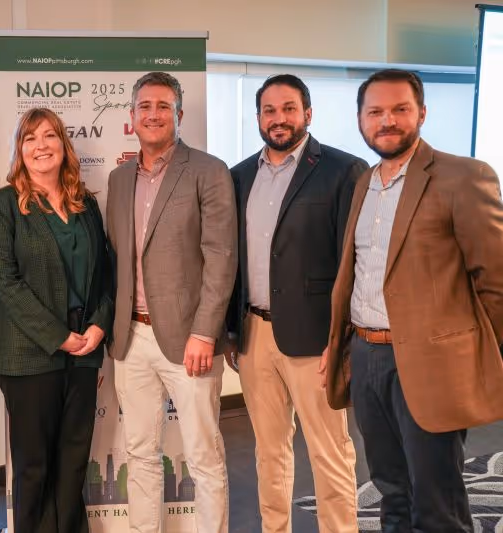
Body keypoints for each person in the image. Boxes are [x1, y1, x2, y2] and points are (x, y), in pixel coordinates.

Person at [325, 68, 503, 531]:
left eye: (400, 109)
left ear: (421, 113)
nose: (388, 121)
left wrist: (493, 358)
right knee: (391, 491)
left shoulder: (462, 177)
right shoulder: (365, 182)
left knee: (437, 500)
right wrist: (339, 346)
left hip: (429, 363)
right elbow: (358, 274)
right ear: (361, 119)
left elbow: (496, 280)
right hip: (366, 356)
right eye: (376, 112)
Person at [225, 74, 366, 533]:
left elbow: (355, 263)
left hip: (315, 337)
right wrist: (231, 329)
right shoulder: (240, 175)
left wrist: (341, 339)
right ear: (259, 117)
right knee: (269, 450)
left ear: (308, 113)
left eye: (288, 108)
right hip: (254, 334)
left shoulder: (344, 171)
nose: (278, 119)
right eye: (269, 110)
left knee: (329, 450)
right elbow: (233, 260)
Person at [106, 71, 237, 533]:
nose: (154, 114)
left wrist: (204, 332)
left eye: (163, 106)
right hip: (132, 338)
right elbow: (116, 257)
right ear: (132, 117)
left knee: (203, 454)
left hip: (189, 340)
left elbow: (221, 256)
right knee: (140, 452)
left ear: (178, 114)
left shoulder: (208, 170)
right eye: (145, 106)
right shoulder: (119, 178)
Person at [0, 107, 113, 533]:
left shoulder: (86, 204)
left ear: (63, 145)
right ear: (19, 150)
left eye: (49, 136)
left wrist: (97, 326)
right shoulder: (2, 206)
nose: (41, 146)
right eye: (30, 138)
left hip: (86, 349)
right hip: (30, 354)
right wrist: (59, 337)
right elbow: (5, 282)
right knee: (34, 467)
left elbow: (106, 275)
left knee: (74, 461)